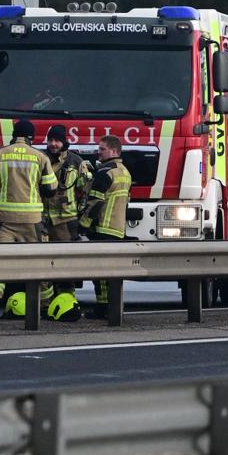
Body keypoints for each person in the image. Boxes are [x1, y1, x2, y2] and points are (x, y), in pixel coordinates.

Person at [0, 118, 57, 320]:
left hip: (3, 221)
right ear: (31, 137)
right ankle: (45, 304)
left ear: (14, 135)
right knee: (38, 263)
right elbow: (50, 189)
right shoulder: (40, 158)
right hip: (32, 221)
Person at [79, 134, 132, 319]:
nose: (98, 152)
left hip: (103, 228)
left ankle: (103, 309)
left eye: (102, 149)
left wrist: (82, 225)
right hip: (117, 229)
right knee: (113, 273)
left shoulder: (105, 173)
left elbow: (94, 203)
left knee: (100, 273)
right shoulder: (124, 172)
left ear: (114, 151)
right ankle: (115, 306)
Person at [42, 125, 91, 243]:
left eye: (57, 141)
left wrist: (81, 216)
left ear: (63, 142)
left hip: (66, 220)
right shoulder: (41, 159)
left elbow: (86, 191)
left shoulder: (76, 161)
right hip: (42, 220)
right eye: (50, 140)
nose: (53, 144)